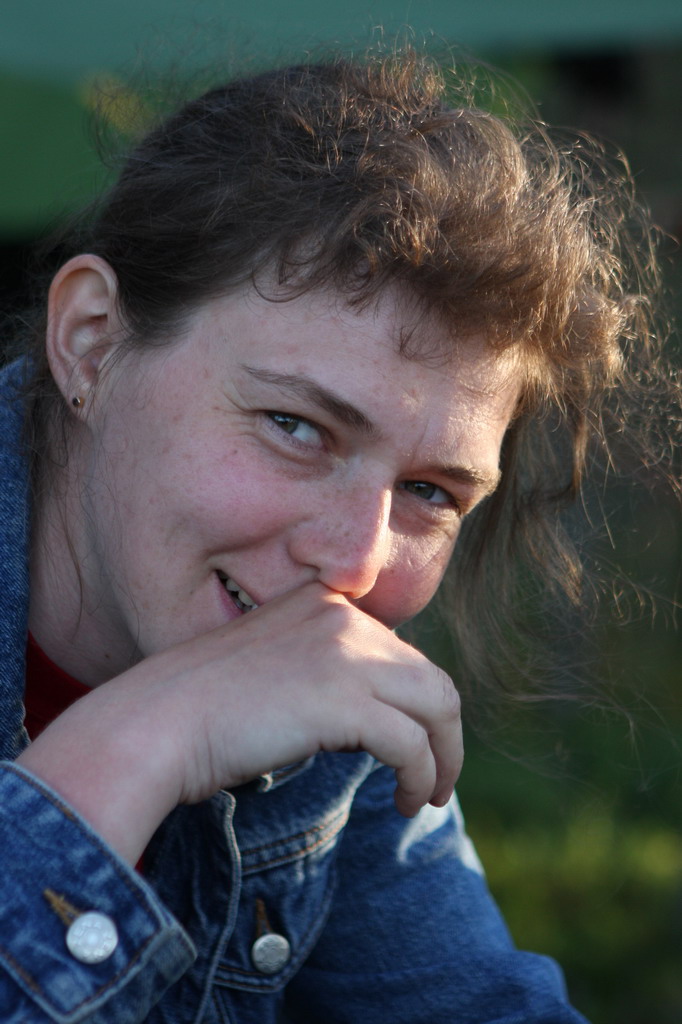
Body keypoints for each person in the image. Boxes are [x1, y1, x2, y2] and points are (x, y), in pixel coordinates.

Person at [0, 51, 675, 1023]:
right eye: (296, 426)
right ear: (91, 340)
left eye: (430, 491)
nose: (356, 564)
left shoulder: (320, 687)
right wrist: (135, 744)